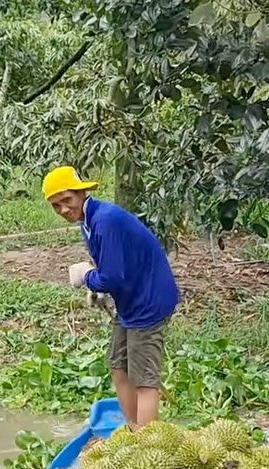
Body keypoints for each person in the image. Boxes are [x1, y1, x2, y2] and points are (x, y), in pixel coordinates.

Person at [43, 165, 179, 429]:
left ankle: (147, 448)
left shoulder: (105, 220)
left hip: (148, 302)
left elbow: (111, 277)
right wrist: (100, 290)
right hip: (130, 301)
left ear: (81, 193)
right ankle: (132, 429)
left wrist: (88, 277)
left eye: (67, 200)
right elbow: (113, 268)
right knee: (119, 367)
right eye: (56, 205)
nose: (63, 210)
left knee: (144, 381)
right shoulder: (88, 221)